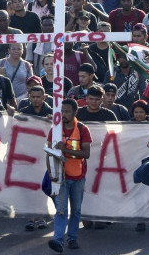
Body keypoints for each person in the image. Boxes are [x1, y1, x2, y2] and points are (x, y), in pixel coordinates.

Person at [48, 99, 92, 253]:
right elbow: (48, 153)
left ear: (75, 113)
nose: (64, 114)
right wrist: (51, 174)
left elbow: (86, 154)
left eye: (67, 111)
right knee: (61, 211)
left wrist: (65, 151)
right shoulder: (55, 129)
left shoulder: (83, 129)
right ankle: (58, 240)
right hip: (61, 178)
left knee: (76, 210)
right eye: (62, 111)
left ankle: (72, 238)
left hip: (78, 177)